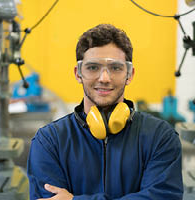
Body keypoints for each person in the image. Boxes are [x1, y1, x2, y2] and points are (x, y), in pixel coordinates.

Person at [27, 24, 183, 200]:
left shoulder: (160, 137)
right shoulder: (49, 141)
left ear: (129, 74)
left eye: (115, 68)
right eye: (93, 67)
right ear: (78, 73)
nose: (104, 78)